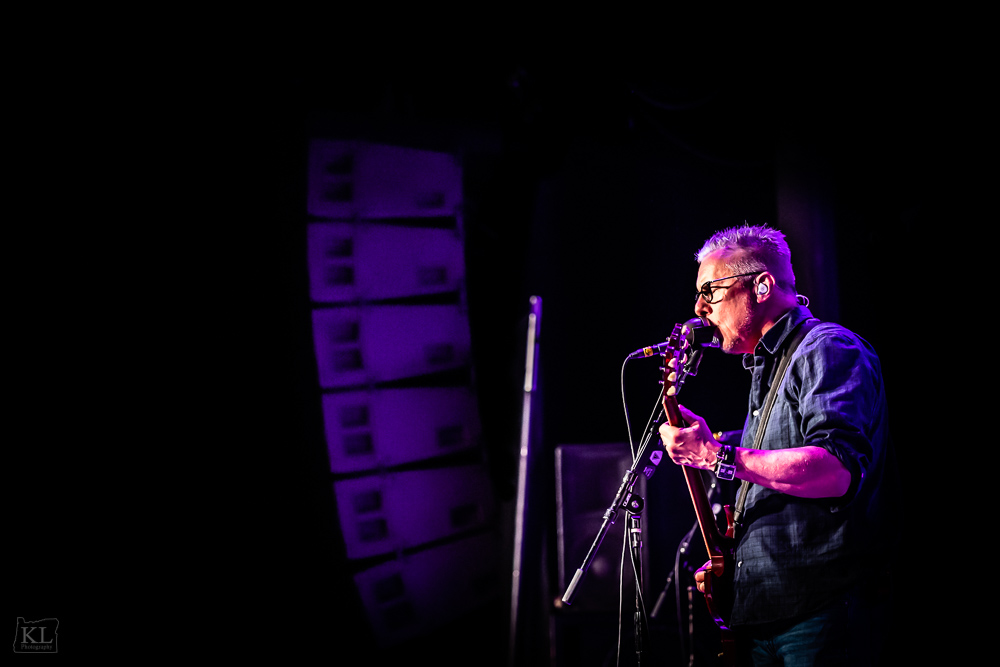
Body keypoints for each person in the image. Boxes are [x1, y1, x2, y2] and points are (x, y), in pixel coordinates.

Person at [658, 224, 897, 666]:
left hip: (820, 609)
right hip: (766, 612)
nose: (699, 308)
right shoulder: (767, 368)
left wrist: (718, 456)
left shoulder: (826, 348)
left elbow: (836, 470)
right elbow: (776, 472)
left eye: (710, 290)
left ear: (762, 286)